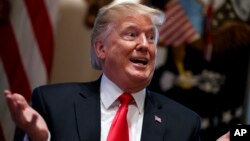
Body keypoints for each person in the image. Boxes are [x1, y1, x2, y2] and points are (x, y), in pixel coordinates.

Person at [4, 2, 229, 141]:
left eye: (151, 37)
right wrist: (40, 139)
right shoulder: (53, 103)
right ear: (101, 48)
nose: (145, 45)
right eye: (131, 34)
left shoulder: (183, 122)